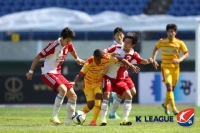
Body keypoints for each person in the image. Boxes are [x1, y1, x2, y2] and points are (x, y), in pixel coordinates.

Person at [26, 27, 85, 125]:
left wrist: (77, 59)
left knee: (73, 96)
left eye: (70, 40)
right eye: (67, 40)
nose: (68, 42)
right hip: (47, 73)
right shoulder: (53, 46)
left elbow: (72, 50)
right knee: (63, 89)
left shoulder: (68, 44)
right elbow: (38, 57)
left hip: (57, 73)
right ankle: (54, 116)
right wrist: (30, 71)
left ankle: (68, 122)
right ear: (61, 37)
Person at [70, 49, 135, 126]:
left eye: (99, 59)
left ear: (102, 57)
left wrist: (130, 65)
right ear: (94, 57)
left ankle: (93, 121)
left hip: (98, 83)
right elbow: (80, 74)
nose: (97, 61)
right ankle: (81, 113)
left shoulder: (106, 58)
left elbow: (120, 59)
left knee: (98, 97)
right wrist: (74, 82)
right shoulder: (89, 62)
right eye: (96, 59)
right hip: (88, 84)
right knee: (91, 105)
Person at [100, 32, 153, 126]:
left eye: (128, 42)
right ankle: (103, 120)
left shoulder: (133, 54)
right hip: (108, 77)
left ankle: (124, 120)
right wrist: (112, 54)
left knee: (129, 95)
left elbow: (141, 61)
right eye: (125, 41)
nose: (125, 43)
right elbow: (102, 52)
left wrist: (149, 60)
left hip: (119, 80)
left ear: (133, 45)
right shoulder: (116, 48)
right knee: (106, 95)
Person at [152, 23, 189, 115]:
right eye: (169, 31)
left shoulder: (180, 43)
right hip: (165, 67)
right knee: (169, 87)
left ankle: (165, 104)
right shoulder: (162, 41)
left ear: (175, 32)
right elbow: (156, 48)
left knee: (172, 89)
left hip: (176, 69)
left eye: (172, 31)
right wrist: (153, 59)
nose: (170, 33)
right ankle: (174, 109)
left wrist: (179, 59)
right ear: (167, 32)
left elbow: (186, 53)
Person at [107, 27, 125, 118]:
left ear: (123, 35)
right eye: (117, 34)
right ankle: (112, 114)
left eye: (121, 34)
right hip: (112, 72)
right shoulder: (113, 46)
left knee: (131, 92)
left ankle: (112, 95)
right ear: (114, 36)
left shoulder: (126, 45)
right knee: (122, 93)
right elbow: (107, 57)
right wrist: (119, 61)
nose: (119, 36)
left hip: (122, 72)